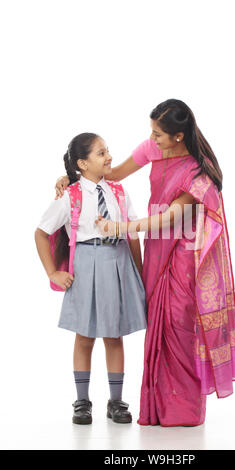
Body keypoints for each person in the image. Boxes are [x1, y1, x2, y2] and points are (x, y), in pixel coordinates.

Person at [56, 99, 235, 427]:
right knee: (158, 323)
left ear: (179, 136)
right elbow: (109, 173)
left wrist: (121, 228)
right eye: (151, 131)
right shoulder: (152, 148)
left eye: (158, 134)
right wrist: (72, 174)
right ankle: (157, 408)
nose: (151, 139)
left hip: (185, 250)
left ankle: (183, 411)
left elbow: (172, 216)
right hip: (156, 245)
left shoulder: (199, 170)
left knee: (181, 325)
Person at [35, 132, 146, 425]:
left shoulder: (119, 192)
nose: (109, 156)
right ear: (82, 163)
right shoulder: (70, 195)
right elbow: (41, 232)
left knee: (114, 335)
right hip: (86, 263)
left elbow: (131, 232)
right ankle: (82, 401)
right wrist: (52, 272)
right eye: (101, 153)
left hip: (118, 261)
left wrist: (139, 271)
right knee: (84, 336)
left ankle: (116, 401)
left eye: (107, 150)